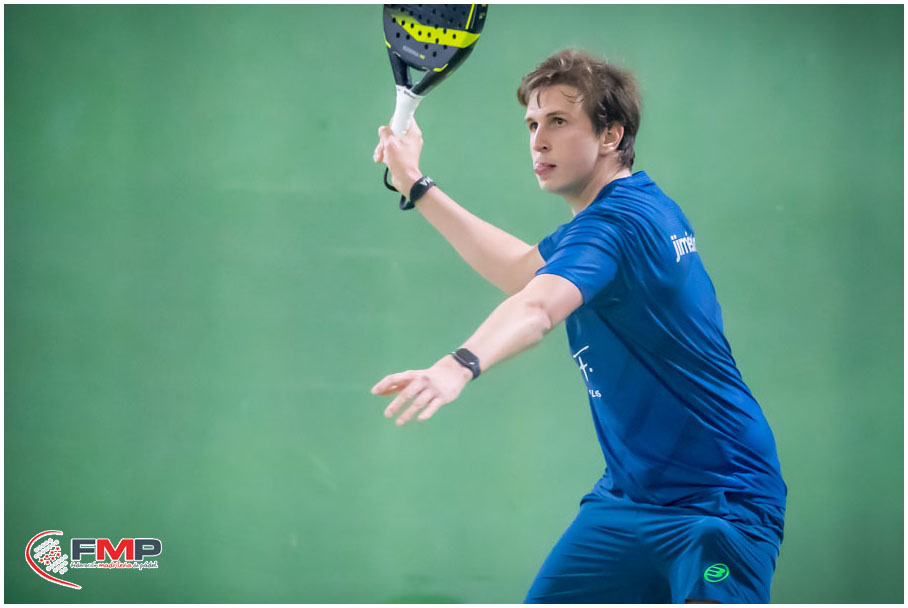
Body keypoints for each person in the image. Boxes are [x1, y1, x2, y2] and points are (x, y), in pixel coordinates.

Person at [370, 49, 786, 604]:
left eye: (559, 122)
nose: (538, 141)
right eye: (533, 125)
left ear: (611, 135)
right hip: (628, 500)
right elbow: (523, 272)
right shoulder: (627, 211)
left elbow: (538, 307)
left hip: (720, 503)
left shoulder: (618, 224)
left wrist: (459, 365)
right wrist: (416, 185)